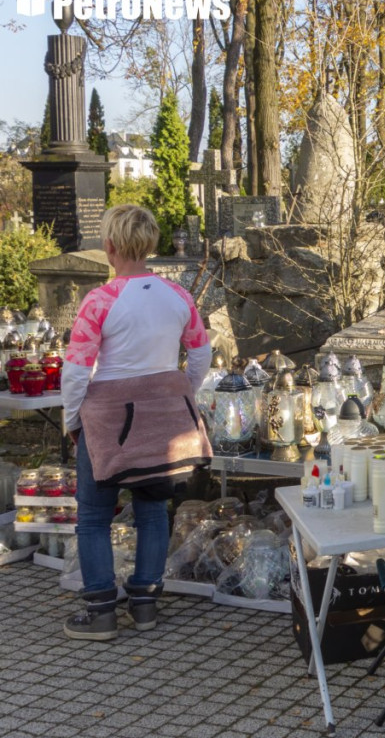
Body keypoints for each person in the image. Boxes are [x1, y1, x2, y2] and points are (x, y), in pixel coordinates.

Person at [61, 204, 212, 641]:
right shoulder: (178, 296)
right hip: (162, 419)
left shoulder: (100, 301)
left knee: (92, 516)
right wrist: (181, 390)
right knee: (152, 509)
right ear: (150, 244)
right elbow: (200, 353)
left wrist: (74, 421)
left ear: (110, 247)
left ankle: (101, 611)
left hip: (107, 420)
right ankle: (145, 604)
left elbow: (75, 371)